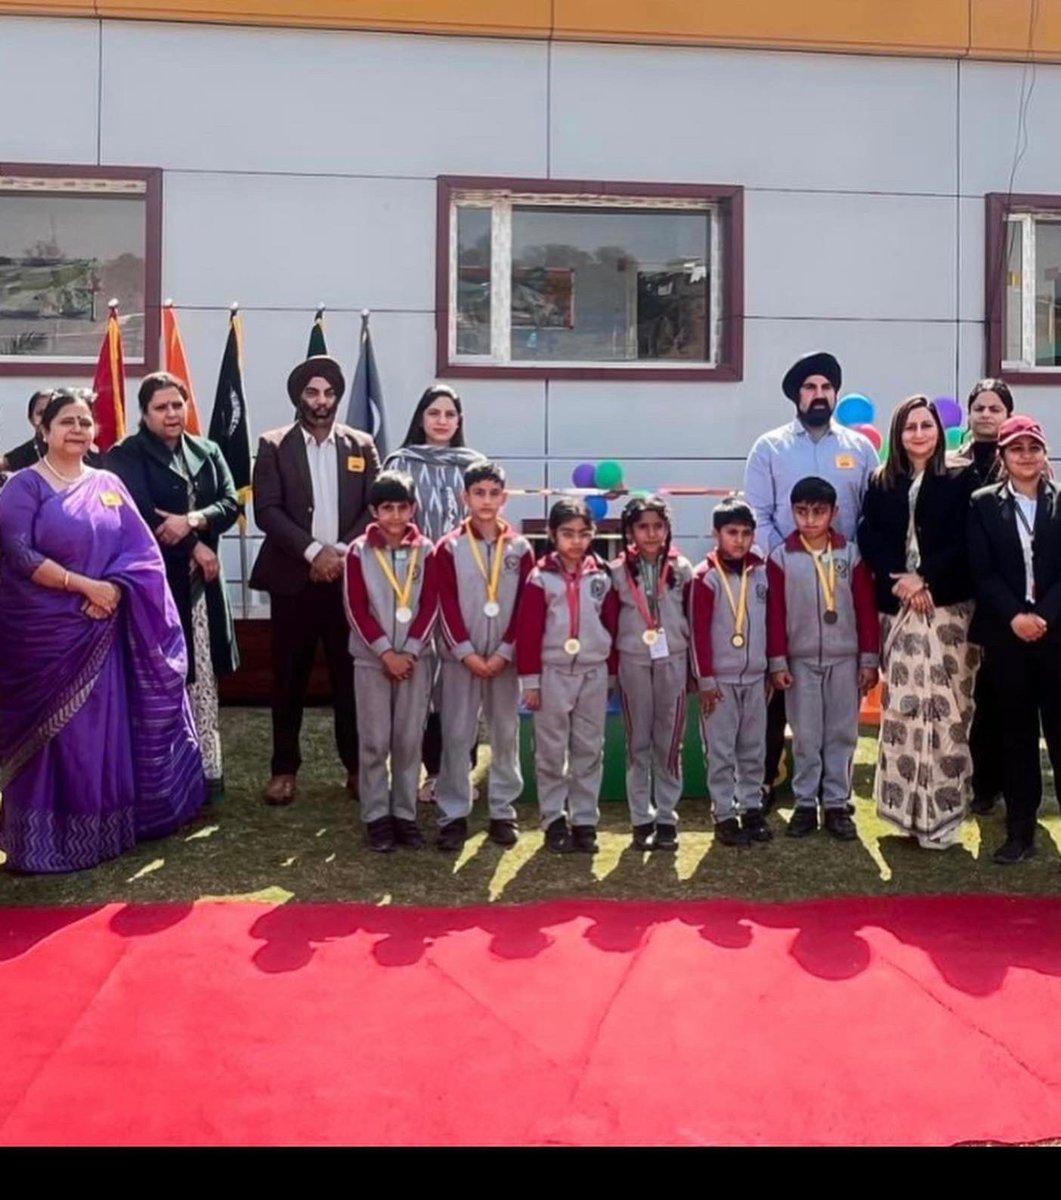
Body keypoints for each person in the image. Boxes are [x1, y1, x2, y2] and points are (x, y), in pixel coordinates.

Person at [0, 389, 205, 873]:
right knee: (55, 741)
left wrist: (114, 588)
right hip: (42, 637)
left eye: (85, 422)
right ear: (44, 430)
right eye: (66, 421)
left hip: (102, 632)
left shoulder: (108, 483)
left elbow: (142, 553)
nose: (77, 430)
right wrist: (84, 586)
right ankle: (39, 844)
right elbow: (17, 553)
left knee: (98, 734)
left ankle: (100, 835)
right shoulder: (23, 487)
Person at [743, 352, 878, 812]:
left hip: (844, 577)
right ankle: (766, 782)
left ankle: (835, 794)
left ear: (836, 393)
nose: (818, 395)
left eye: (826, 387)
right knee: (781, 685)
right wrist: (786, 560)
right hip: (785, 577)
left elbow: (869, 514)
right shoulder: (770, 447)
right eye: (809, 387)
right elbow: (758, 514)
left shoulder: (860, 449)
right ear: (796, 396)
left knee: (839, 702)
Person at [249, 355, 380, 806]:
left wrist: (338, 553)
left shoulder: (362, 445)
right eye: (312, 393)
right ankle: (284, 770)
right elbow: (266, 510)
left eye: (328, 393)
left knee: (351, 679)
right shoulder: (273, 445)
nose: (321, 402)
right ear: (298, 396)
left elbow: (374, 508)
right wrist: (312, 552)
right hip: (294, 579)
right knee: (289, 678)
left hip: (346, 579)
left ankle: (358, 768)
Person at [105, 371, 241, 804]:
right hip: (153, 592)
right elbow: (141, 514)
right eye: (161, 407)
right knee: (160, 682)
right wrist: (198, 544)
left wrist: (193, 521)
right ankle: (161, 786)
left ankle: (207, 777)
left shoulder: (208, 449)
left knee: (203, 683)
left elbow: (229, 502)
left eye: (177, 405)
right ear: (144, 414)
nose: (171, 414)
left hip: (202, 590)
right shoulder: (124, 455)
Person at [858, 395, 978, 850]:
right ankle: (905, 815)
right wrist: (901, 582)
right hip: (900, 607)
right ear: (898, 433)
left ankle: (944, 818)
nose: (920, 434)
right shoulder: (881, 480)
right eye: (910, 427)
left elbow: (968, 541)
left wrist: (926, 578)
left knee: (947, 712)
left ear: (939, 431)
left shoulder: (961, 477)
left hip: (948, 608)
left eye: (927, 425)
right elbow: (871, 534)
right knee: (906, 710)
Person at [383, 384, 486, 803]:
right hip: (414, 588)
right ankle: (430, 772)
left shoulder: (476, 466)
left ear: (459, 421)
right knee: (424, 684)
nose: (442, 421)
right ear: (420, 418)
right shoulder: (400, 462)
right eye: (433, 413)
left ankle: (460, 772)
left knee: (462, 683)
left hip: (467, 588)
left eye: (450, 414)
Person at [967, 416, 1061, 865]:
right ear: (1002, 457)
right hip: (1007, 638)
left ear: (1045, 455)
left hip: (1056, 635)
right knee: (1016, 736)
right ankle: (1020, 833)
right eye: (1017, 449)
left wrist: (1042, 615)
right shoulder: (983, 504)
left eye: (1034, 448)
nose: (1026, 456)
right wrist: (1016, 617)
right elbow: (981, 572)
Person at [767, 477, 879, 842]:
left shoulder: (852, 554)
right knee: (805, 735)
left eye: (819, 512)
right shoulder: (781, 558)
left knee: (842, 733)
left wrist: (868, 659)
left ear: (835, 512)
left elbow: (865, 608)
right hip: (799, 663)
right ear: (792, 512)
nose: (810, 519)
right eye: (802, 511)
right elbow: (775, 616)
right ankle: (803, 803)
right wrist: (778, 662)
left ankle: (835, 803)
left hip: (845, 660)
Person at [434, 461, 535, 852]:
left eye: (494, 493)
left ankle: (503, 811)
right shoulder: (449, 547)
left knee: (505, 735)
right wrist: (465, 652)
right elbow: (444, 603)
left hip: (504, 661)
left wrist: (507, 651)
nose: (487, 501)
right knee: (457, 735)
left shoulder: (521, 548)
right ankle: (454, 813)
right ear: (466, 497)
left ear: (504, 498)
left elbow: (527, 605)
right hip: (462, 660)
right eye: (479, 493)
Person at [343, 470, 439, 852]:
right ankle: (376, 817)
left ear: (413, 509)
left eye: (403, 508)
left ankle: (405, 814)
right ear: (374, 511)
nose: (396, 516)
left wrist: (410, 651)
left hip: (416, 661)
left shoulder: (427, 550)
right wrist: (385, 652)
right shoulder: (357, 552)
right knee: (375, 740)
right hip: (372, 662)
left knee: (408, 739)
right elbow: (355, 608)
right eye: (387, 508)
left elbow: (431, 603)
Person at [516, 496, 618, 855]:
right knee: (551, 751)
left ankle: (585, 820)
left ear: (592, 534)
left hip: (593, 672)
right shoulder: (539, 577)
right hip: (552, 674)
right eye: (567, 533)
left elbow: (612, 624)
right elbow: (527, 632)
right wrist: (530, 681)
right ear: (551, 534)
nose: (575, 541)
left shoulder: (602, 574)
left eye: (582, 533)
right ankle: (554, 819)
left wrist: (611, 675)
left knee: (589, 749)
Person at [689, 498, 782, 847]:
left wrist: (774, 668)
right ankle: (724, 813)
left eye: (746, 533)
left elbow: (774, 623)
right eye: (732, 533)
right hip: (721, 684)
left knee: (753, 748)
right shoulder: (705, 578)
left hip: (756, 679)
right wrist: (706, 681)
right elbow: (698, 633)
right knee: (721, 750)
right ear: (716, 534)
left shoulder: (762, 572)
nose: (739, 540)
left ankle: (752, 808)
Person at [610, 494, 694, 852]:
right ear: (630, 530)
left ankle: (666, 818)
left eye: (658, 526)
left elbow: (694, 618)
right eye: (643, 527)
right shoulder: (615, 572)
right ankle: (640, 818)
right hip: (633, 661)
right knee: (637, 741)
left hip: (672, 659)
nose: (651, 533)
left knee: (669, 742)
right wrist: (613, 673)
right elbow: (610, 623)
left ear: (667, 529)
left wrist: (694, 669)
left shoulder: (682, 568)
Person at [959, 379, 1013, 816]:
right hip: (958, 595)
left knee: (1001, 695)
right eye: (979, 407)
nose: (986, 415)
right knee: (965, 695)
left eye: (995, 408)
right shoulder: (952, 465)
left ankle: (1000, 784)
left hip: (1006, 602)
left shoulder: (1021, 461)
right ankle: (974, 781)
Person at [0, 389, 54, 473]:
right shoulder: (22, 455)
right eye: (41, 413)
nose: (47, 418)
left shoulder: (80, 451)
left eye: (52, 412)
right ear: (31, 419)